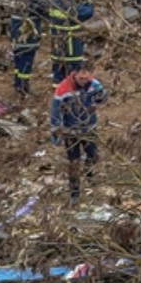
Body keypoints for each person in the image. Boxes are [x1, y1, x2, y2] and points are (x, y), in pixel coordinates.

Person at [50, 65, 107, 204]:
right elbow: (55, 113)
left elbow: (103, 98)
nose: (84, 80)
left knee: (93, 156)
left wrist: (101, 98)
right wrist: (56, 133)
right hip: (71, 132)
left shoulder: (94, 84)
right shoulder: (63, 89)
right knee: (74, 163)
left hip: (89, 129)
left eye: (86, 77)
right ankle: (74, 193)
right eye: (81, 77)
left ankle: (89, 174)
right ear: (74, 74)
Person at [46, 0, 93, 84]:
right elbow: (88, 12)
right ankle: (71, 94)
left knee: (58, 70)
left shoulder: (55, 2)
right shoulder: (71, 7)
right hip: (72, 46)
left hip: (57, 44)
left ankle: (58, 93)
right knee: (73, 72)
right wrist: (89, 1)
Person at [9, 0, 43, 98]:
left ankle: (18, 84)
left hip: (16, 32)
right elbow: (41, 9)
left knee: (18, 59)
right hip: (27, 34)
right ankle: (23, 88)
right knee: (26, 60)